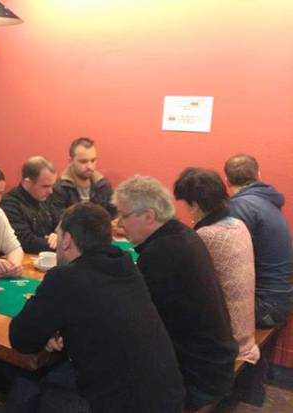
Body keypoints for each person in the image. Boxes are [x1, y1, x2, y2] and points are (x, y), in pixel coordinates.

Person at [9, 203, 184, 413]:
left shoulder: (65, 278)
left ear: (66, 240)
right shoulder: (127, 267)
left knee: (27, 386)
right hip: (168, 397)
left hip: (121, 404)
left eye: (58, 233)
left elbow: (20, 339)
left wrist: (51, 332)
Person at [113, 176, 237, 411]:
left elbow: (135, 321)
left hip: (198, 379)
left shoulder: (162, 252)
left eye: (124, 215)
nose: (120, 223)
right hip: (216, 364)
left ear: (148, 215)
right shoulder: (183, 235)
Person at [173, 167, 259, 364]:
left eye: (186, 205)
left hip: (226, 341)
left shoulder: (207, 236)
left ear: (195, 205)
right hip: (246, 333)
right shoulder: (238, 225)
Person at [224, 154, 293, 328]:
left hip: (264, 305)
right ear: (258, 175)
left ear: (227, 181)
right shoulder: (268, 202)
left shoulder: (239, 208)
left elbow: (230, 263)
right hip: (281, 298)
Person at [47, 137, 117, 226]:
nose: (90, 166)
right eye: (83, 161)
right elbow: (60, 222)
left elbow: (115, 214)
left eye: (93, 160)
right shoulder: (59, 189)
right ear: (71, 161)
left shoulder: (103, 185)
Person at [0, 156, 58, 253]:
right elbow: (25, 242)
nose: (50, 191)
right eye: (45, 186)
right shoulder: (9, 205)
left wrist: (57, 235)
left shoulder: (45, 198)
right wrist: (60, 244)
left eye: (52, 185)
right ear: (27, 183)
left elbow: (61, 223)